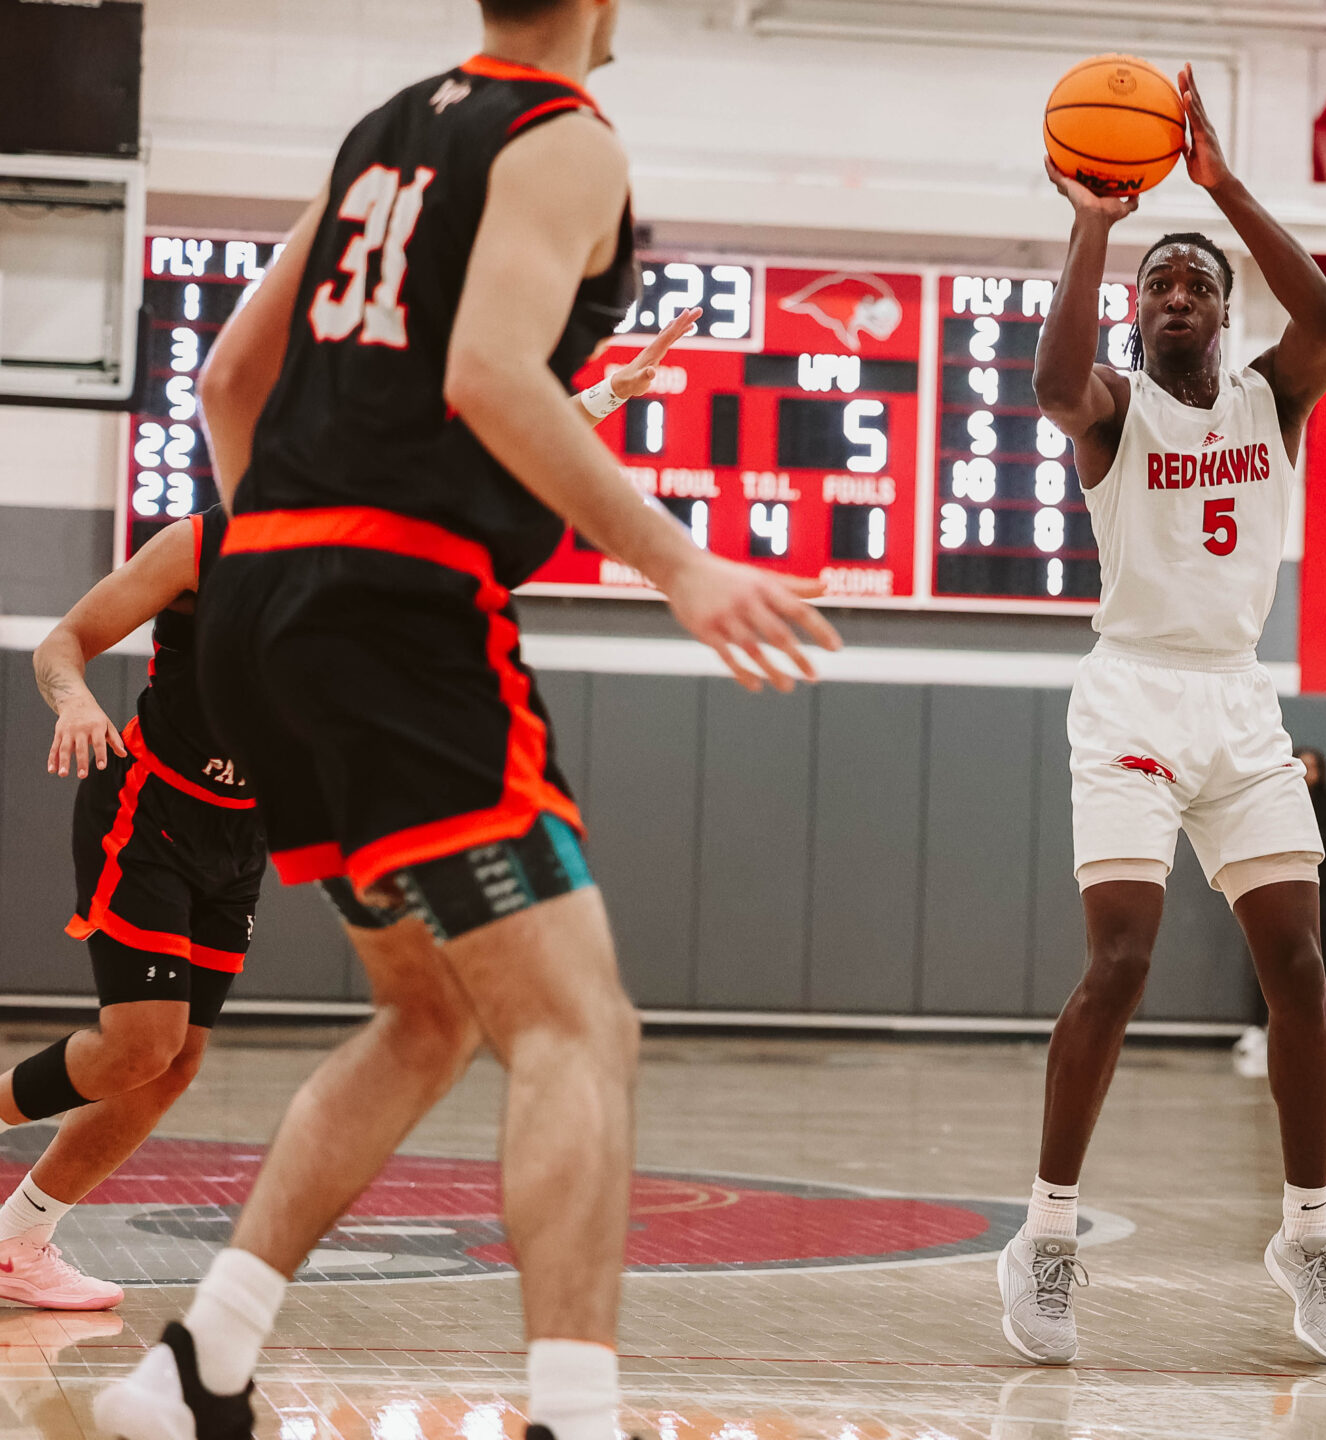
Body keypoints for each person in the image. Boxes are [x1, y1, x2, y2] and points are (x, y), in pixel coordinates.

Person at [91, 6, 841, 1438]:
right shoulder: (562, 138)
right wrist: (680, 563)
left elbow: (230, 381)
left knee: (427, 1015)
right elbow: (486, 375)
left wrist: (285, 558)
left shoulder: (384, 133)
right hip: (399, 621)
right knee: (577, 1028)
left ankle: (199, 1369)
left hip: (256, 610)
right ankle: (574, 1412)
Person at [1001, 66, 1326, 1369]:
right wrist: (1098, 218)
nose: (1177, 295)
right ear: (1138, 312)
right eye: (1160, 283)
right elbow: (1051, 383)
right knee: (1123, 960)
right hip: (1134, 686)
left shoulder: (1276, 397)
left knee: (1301, 970)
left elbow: (1324, 312)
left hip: (1237, 693)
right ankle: (1045, 1233)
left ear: (1222, 311)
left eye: (1195, 282)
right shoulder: (1114, 412)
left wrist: (1221, 191)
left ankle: (1308, 1235)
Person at [0, 513, 261, 1311]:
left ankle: (17, 1242)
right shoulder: (203, 544)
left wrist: (598, 401)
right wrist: (75, 701)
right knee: (138, 1045)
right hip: (147, 811)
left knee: (175, 1064)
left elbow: (482, 453)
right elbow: (63, 642)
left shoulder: (372, 549)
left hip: (244, 831)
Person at [1235, 746, 1326, 1079]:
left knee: (1322, 963)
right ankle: (1258, 1028)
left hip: (1321, 900)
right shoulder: (1275, 808)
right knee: (1268, 962)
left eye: (1314, 765)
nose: (1308, 770)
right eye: (1302, 764)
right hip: (1277, 896)